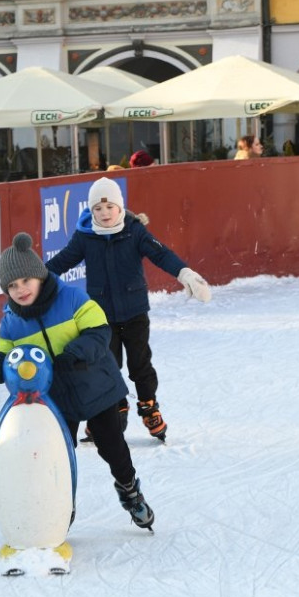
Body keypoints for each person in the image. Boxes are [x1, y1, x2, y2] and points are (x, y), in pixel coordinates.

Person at [0, 233, 155, 531]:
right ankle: (60, 504)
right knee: (55, 456)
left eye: (25, 280)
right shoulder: (12, 321)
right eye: (12, 286)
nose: (20, 290)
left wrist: (76, 353)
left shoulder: (71, 298)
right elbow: (7, 358)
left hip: (97, 389)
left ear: (40, 276)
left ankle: (129, 489)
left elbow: (98, 329)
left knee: (112, 447)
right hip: (54, 401)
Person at [46, 177, 212, 443]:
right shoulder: (85, 236)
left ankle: (148, 406)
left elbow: (161, 254)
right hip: (101, 317)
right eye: (98, 209)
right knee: (106, 366)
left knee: (139, 364)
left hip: (134, 312)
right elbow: (62, 262)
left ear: (120, 207)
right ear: (91, 211)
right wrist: (34, 280)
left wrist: (185, 274)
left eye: (109, 207)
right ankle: (115, 408)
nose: (105, 214)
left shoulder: (134, 231)